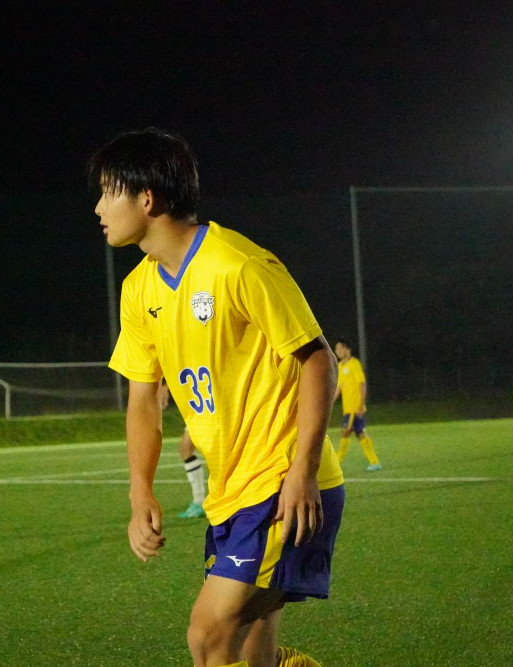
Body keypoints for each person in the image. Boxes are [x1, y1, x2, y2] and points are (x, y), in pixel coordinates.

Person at [93, 128, 344, 667]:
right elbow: (143, 402)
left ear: (146, 198)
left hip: (281, 483)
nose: (98, 208)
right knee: (252, 656)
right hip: (229, 494)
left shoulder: (238, 264)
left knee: (208, 637)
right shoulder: (138, 290)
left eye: (108, 192)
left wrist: (302, 470)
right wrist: (140, 493)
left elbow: (318, 361)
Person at [159, 379, 207, 518]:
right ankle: (199, 501)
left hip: (208, 404)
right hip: (199, 407)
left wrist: (166, 387)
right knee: (186, 449)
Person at [331, 339, 381, 471]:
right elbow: (338, 388)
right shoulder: (340, 366)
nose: (337, 351)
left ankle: (336, 463)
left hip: (354, 408)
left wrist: (361, 405)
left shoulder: (354, 364)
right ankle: (375, 462)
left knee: (345, 432)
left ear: (347, 349)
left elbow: (362, 384)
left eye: (340, 348)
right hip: (347, 408)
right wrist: (330, 402)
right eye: (336, 349)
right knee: (360, 434)